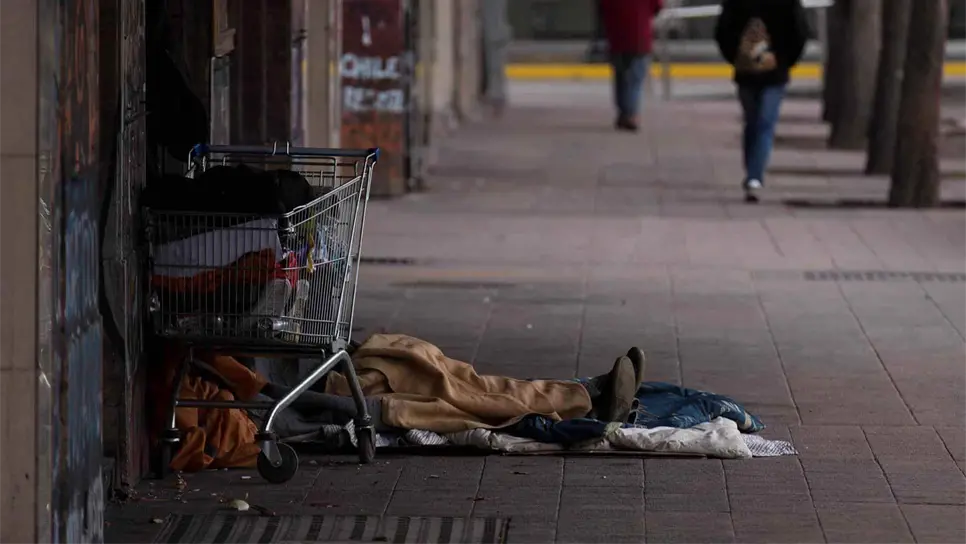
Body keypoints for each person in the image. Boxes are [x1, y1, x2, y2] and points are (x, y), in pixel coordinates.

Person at [714, 0, 809, 202]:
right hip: (762, 72)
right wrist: (785, 61)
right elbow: (800, 33)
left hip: (756, 72)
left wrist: (737, 57)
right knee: (756, 123)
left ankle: (754, 176)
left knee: (762, 122)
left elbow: (722, 32)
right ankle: (753, 172)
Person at [600, 0, 665, 132]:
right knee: (635, 79)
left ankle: (623, 112)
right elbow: (657, 6)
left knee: (620, 76)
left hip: (617, 36)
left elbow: (603, 7)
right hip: (639, 36)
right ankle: (631, 114)